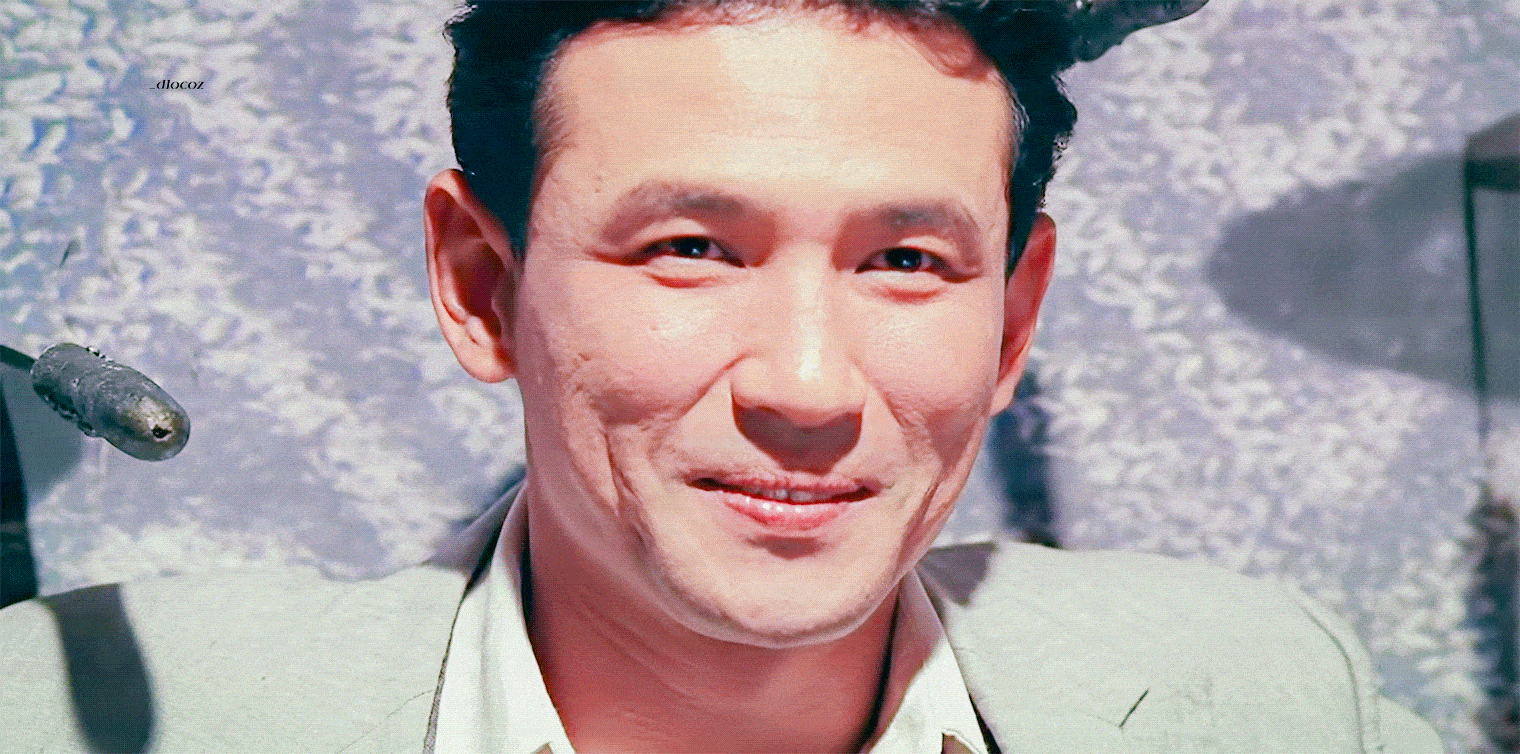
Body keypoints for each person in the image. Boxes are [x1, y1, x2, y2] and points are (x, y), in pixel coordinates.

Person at [2, 1, 1444, 752]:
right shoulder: (70, 717)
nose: (809, 385)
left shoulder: (1267, 693)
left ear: (1013, 321)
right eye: (690, 249)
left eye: (906, 261)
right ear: (482, 286)